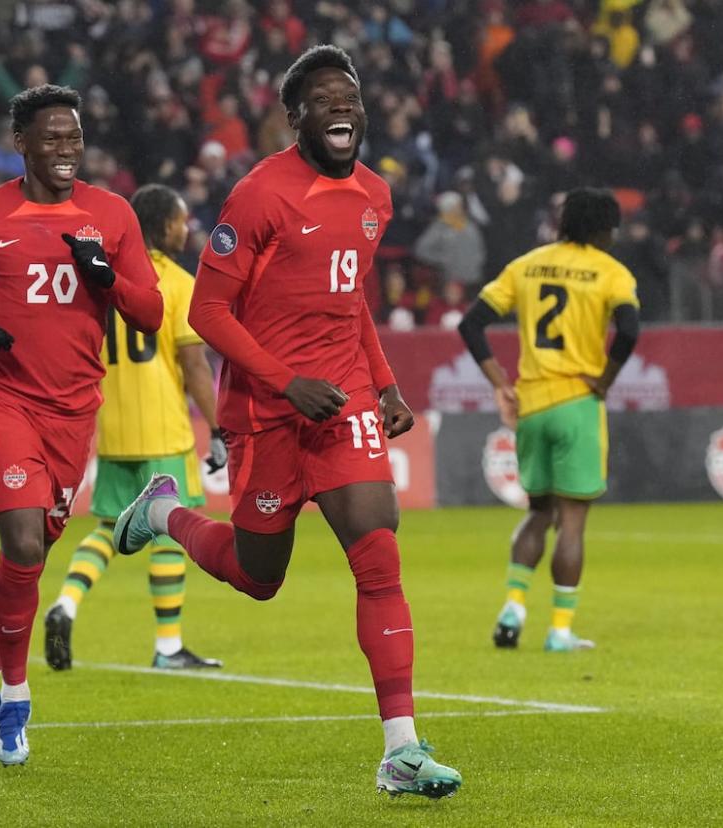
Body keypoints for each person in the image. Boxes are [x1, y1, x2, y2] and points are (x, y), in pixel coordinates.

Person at [111, 46, 461, 799]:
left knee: (378, 554)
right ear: (295, 117)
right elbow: (207, 311)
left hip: (342, 407)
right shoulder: (261, 194)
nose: (343, 108)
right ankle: (164, 512)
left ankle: (400, 750)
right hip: (268, 412)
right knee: (256, 577)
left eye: (352, 97)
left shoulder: (375, 195)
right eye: (325, 100)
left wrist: (385, 382)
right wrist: (283, 382)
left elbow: (351, 300)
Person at [0, 85, 163, 767]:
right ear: (20, 143)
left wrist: (105, 279)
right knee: (21, 543)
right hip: (4, 399)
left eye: (73, 136)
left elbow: (152, 313)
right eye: (50, 137)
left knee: (34, 555)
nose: (65, 149)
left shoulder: (112, 215)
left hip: (75, 411)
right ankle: (10, 700)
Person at [43, 184, 224, 673]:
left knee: (106, 529)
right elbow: (196, 366)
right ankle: (168, 647)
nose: (186, 228)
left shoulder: (104, 280)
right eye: (182, 219)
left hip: (115, 427)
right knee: (168, 532)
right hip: (163, 427)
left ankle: (65, 603)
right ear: (165, 225)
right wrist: (218, 427)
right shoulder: (177, 283)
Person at [457, 187, 640, 653]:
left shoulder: (527, 265)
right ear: (602, 229)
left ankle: (514, 606)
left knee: (538, 512)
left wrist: (501, 382)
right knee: (572, 523)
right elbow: (630, 330)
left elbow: (471, 323)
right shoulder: (610, 272)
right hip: (578, 402)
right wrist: (606, 379)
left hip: (532, 406)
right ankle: (559, 630)